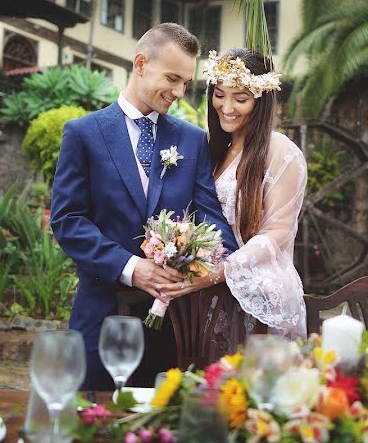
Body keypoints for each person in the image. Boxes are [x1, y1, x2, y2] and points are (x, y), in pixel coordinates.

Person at [50, 24, 238, 390]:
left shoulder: (192, 140)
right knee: (94, 425)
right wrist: (132, 267)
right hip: (100, 316)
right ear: (140, 63)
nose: (179, 92)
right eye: (172, 78)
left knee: (157, 431)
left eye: (186, 82)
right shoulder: (83, 133)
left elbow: (213, 224)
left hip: (173, 328)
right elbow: (68, 220)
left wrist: (206, 266)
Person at [158, 47, 308, 359]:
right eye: (219, 95)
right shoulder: (213, 151)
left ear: (261, 100)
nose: (227, 107)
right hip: (212, 297)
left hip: (259, 295)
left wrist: (224, 270)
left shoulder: (280, 151)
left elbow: (279, 231)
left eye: (241, 98)